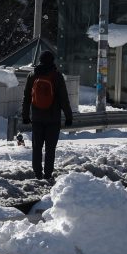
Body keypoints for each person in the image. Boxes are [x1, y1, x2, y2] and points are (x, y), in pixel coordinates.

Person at [20, 49, 75, 181]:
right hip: (53, 118)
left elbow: (27, 97)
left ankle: (38, 174)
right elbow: (63, 98)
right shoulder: (57, 76)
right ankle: (48, 174)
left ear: (40, 60)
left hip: (37, 118)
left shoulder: (32, 75)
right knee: (50, 149)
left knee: (37, 148)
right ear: (52, 61)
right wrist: (68, 116)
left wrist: (25, 115)